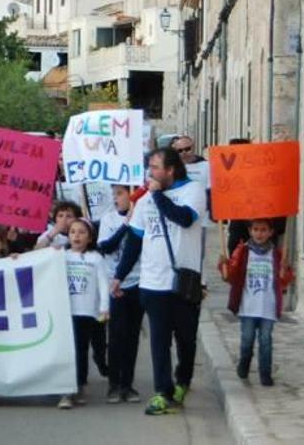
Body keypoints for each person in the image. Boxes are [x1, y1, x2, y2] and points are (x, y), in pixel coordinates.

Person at [112, 147, 207, 416]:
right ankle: (162, 391)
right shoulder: (144, 200)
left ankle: (183, 380)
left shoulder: (193, 190)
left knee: (186, 339)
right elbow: (135, 240)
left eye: (155, 167)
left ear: (170, 170)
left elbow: (184, 219)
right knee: (159, 340)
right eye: (149, 167)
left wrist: (156, 194)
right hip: (152, 282)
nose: (150, 173)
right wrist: (119, 275)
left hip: (183, 280)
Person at [225, 219, 293, 386]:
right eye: (256, 229)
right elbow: (232, 275)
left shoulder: (276, 255)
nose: (259, 233)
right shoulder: (243, 252)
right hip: (248, 305)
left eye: (263, 230)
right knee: (247, 339)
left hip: (267, 305)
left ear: (270, 232)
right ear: (250, 231)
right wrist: (224, 266)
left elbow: (284, 281)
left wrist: (286, 270)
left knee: (266, 340)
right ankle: (244, 363)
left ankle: (265, 373)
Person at [60, 219, 111, 409]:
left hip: (87, 311)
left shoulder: (96, 258)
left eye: (82, 232)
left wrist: (104, 307)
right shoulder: (62, 256)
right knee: (70, 350)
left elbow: (103, 284)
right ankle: (67, 388)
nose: (76, 236)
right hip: (67, 311)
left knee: (81, 350)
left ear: (90, 238)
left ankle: (79, 384)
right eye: (73, 232)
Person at [98, 185, 142, 404]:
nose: (116, 198)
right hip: (114, 285)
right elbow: (106, 246)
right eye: (113, 194)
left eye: (121, 194)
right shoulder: (109, 219)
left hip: (137, 282)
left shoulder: (141, 215)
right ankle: (114, 384)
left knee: (132, 337)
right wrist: (127, 224)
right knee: (116, 336)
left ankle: (128, 384)